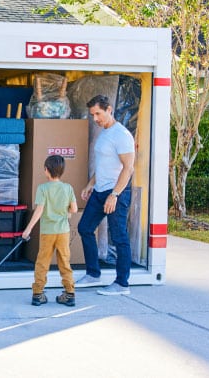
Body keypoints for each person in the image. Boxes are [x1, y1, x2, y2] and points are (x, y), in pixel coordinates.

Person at [75, 95, 135, 296]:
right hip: (100, 190)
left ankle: (122, 284)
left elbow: (128, 168)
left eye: (98, 114)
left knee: (119, 237)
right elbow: (103, 166)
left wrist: (115, 195)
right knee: (85, 228)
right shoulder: (104, 133)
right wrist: (90, 184)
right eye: (92, 115)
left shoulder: (122, 135)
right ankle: (93, 274)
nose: (95, 119)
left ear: (109, 109)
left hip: (116, 192)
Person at [22, 155, 78, 307]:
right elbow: (73, 208)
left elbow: (39, 210)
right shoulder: (68, 188)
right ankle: (69, 293)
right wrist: (68, 214)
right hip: (63, 232)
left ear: (46, 170)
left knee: (42, 262)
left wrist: (28, 229)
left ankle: (38, 294)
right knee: (64, 261)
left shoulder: (43, 188)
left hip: (47, 232)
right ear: (62, 171)